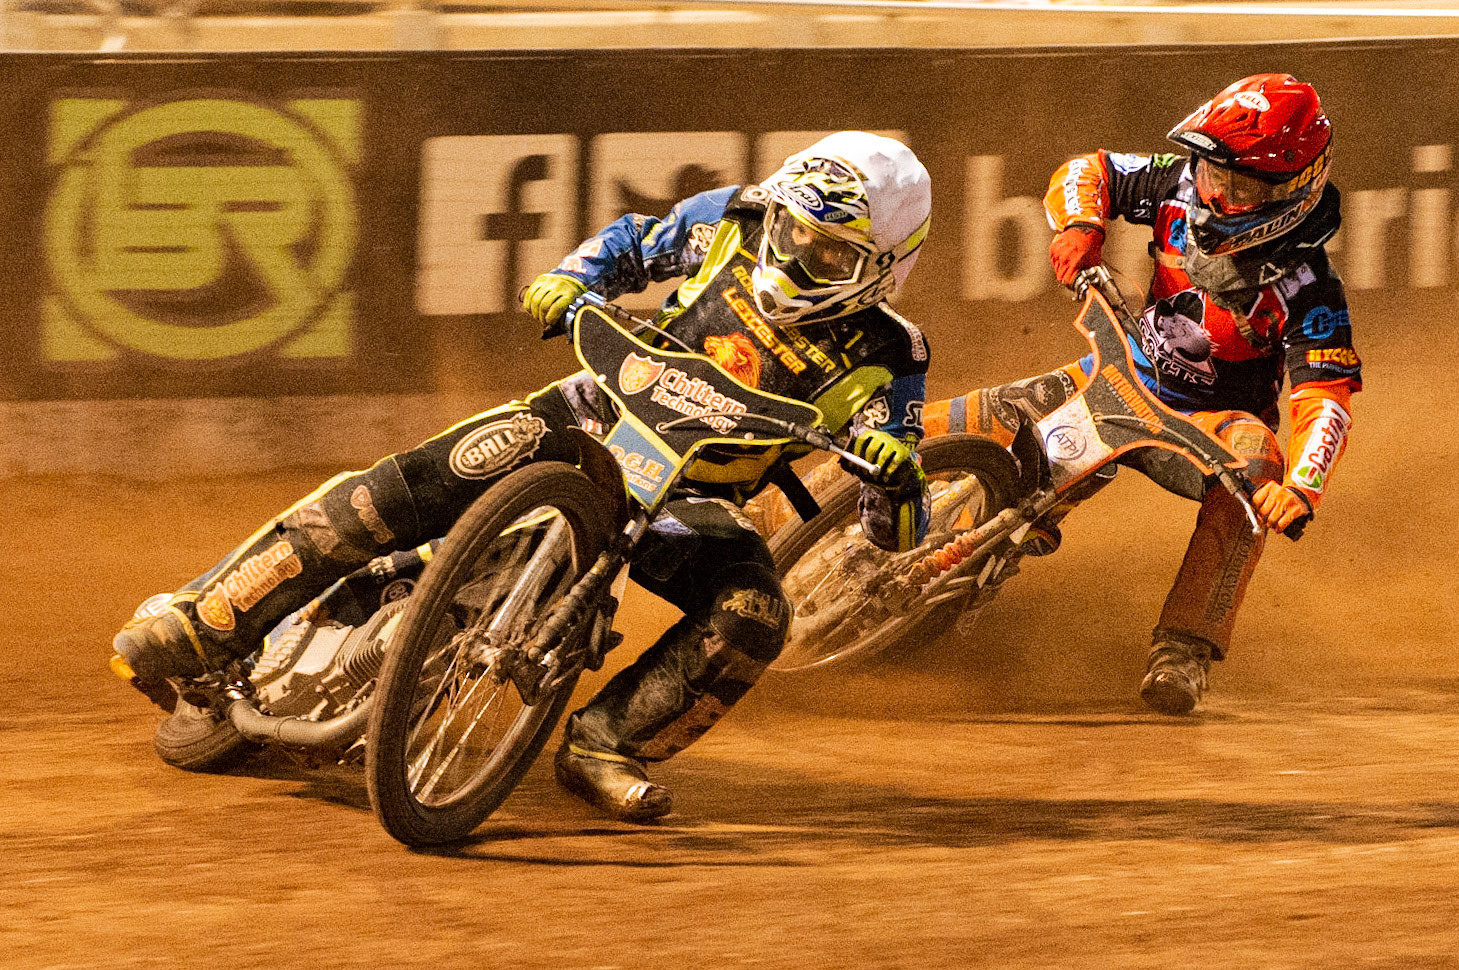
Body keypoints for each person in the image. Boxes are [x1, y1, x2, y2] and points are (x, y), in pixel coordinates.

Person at [112, 130, 934, 821]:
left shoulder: (892, 355)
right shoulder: (731, 219)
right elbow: (628, 244)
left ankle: (602, 745)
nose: (792, 253)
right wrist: (571, 278)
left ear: (885, 264)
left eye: (828, 251)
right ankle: (206, 620)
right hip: (586, 412)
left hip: (693, 499)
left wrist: (894, 480)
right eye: (793, 230)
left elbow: (894, 532)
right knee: (400, 487)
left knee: (754, 612)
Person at [922, 73, 1361, 715]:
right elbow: (1090, 168)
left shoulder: (1309, 286)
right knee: (964, 418)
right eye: (1211, 173)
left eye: (1238, 186)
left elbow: (1326, 394)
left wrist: (1302, 486)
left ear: (1292, 190)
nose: (1215, 193)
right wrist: (1080, 225)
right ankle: (799, 507)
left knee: (1257, 465)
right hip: (1120, 368)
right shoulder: (1180, 183)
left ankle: (1183, 651)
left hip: (1209, 427)